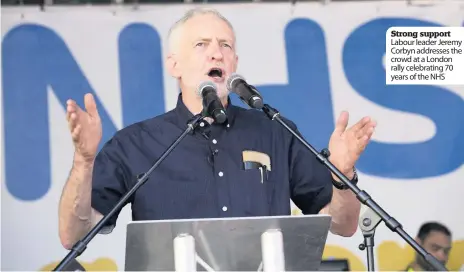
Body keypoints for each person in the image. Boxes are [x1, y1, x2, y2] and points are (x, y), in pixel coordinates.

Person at [58, 8, 377, 250]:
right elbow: (73, 236)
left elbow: (344, 224)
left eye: (225, 44)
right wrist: (84, 162)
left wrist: (342, 177)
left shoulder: (274, 131)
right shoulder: (135, 144)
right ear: (174, 65)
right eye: (201, 44)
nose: (216, 52)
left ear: (234, 62)